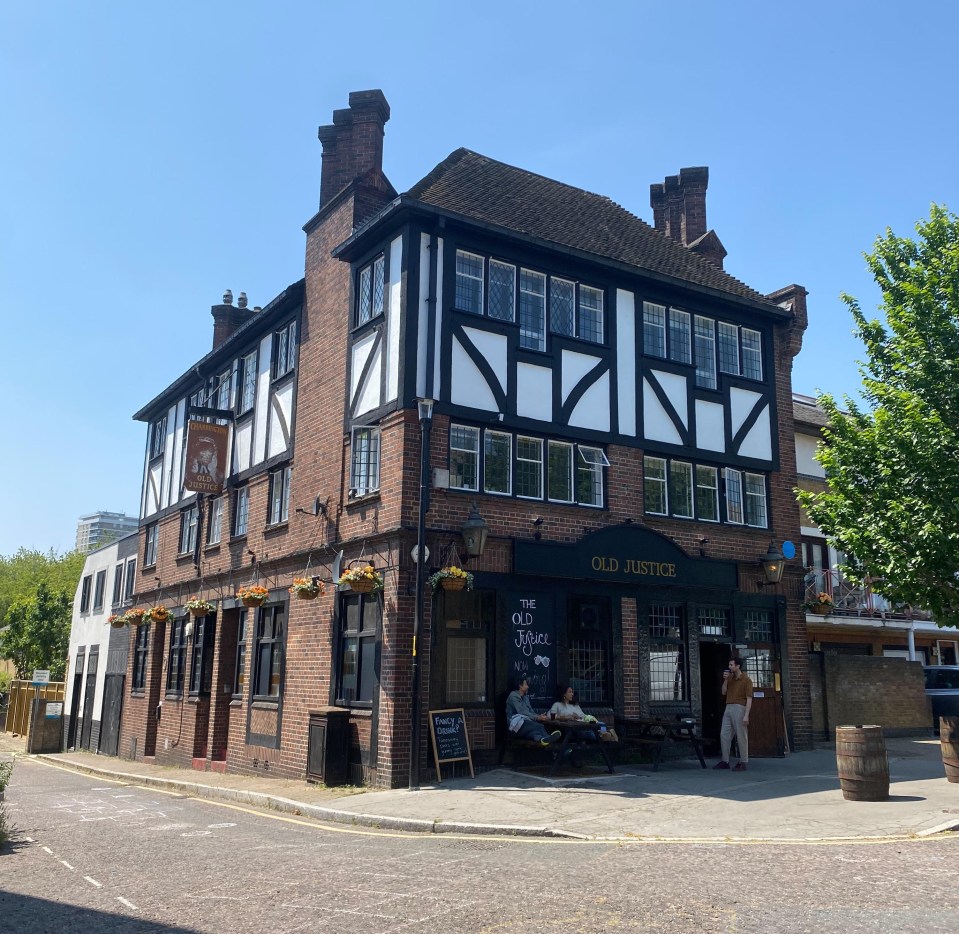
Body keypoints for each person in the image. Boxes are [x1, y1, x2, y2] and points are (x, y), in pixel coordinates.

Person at [714, 656, 753, 771]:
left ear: (738, 666)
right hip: (729, 706)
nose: (729, 667)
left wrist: (746, 715)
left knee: (741, 735)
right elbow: (723, 692)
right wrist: (725, 680)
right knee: (724, 734)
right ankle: (725, 760)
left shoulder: (746, 680)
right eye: (729, 665)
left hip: (739, 707)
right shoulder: (730, 678)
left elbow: (749, 698)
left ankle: (743, 761)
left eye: (731, 665)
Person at [505, 677, 561, 746]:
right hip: (515, 727)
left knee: (534, 732)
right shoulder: (513, 696)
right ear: (520, 686)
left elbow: (531, 711)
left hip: (525, 725)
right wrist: (537, 717)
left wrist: (540, 716)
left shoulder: (525, 697)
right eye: (526, 685)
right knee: (539, 726)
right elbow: (522, 711)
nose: (528, 687)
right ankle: (548, 739)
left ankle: (542, 740)